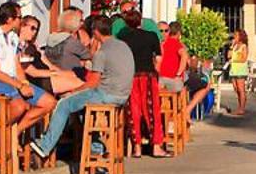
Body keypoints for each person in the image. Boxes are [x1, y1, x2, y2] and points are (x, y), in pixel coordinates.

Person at [30, 15, 133, 165]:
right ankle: (96, 146)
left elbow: (92, 83)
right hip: (123, 95)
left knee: (64, 104)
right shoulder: (123, 46)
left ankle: (44, 147)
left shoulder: (101, 53)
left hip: (106, 94)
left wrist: (74, 92)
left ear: (95, 33)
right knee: (85, 109)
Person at [0, 1, 54, 139]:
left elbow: (17, 65)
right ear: (9, 19)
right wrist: (19, 86)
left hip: (12, 81)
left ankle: (14, 133)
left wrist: (24, 82)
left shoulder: (13, 38)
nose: (21, 20)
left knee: (49, 102)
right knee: (20, 106)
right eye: (19, 17)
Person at [119, 10, 164, 156]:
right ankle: (156, 146)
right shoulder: (151, 36)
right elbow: (158, 58)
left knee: (133, 111)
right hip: (148, 75)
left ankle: (136, 147)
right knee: (151, 110)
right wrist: (158, 74)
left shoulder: (122, 37)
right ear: (141, 22)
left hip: (130, 76)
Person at [18, 15, 83, 100]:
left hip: (48, 76)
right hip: (38, 80)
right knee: (80, 84)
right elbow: (33, 72)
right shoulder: (18, 46)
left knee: (75, 82)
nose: (34, 32)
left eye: (36, 30)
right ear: (22, 26)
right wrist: (55, 73)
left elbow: (48, 64)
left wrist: (61, 72)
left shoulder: (33, 46)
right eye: (32, 28)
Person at [225, 28, 251, 116]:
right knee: (236, 89)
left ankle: (242, 108)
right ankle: (240, 105)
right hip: (233, 70)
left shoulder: (244, 46)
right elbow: (228, 56)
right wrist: (232, 46)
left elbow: (244, 58)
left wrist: (234, 60)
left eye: (236, 35)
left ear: (241, 36)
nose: (234, 37)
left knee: (241, 89)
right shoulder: (235, 46)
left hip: (240, 70)